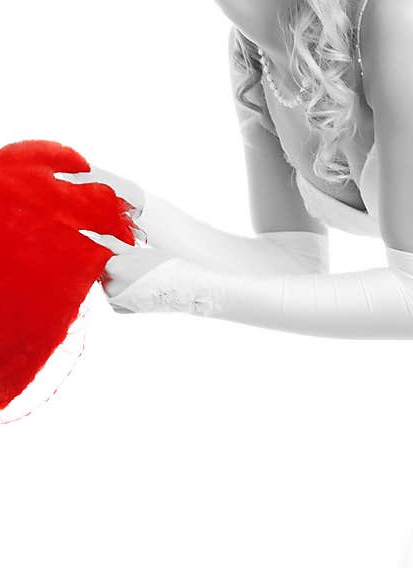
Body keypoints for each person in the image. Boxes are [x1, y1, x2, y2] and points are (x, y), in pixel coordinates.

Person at [61, 0, 413, 339]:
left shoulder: (394, 17)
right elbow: (291, 264)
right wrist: (137, 211)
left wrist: (178, 289)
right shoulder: (251, 54)